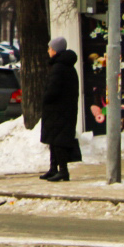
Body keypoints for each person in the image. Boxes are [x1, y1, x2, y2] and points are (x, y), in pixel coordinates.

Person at [39, 36, 81, 181]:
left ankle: (63, 170)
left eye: (50, 48)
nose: (48, 51)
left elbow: (53, 90)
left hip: (58, 110)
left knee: (58, 141)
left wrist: (45, 99)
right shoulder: (67, 66)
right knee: (54, 139)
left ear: (55, 51)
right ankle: (53, 168)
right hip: (63, 109)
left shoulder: (59, 67)